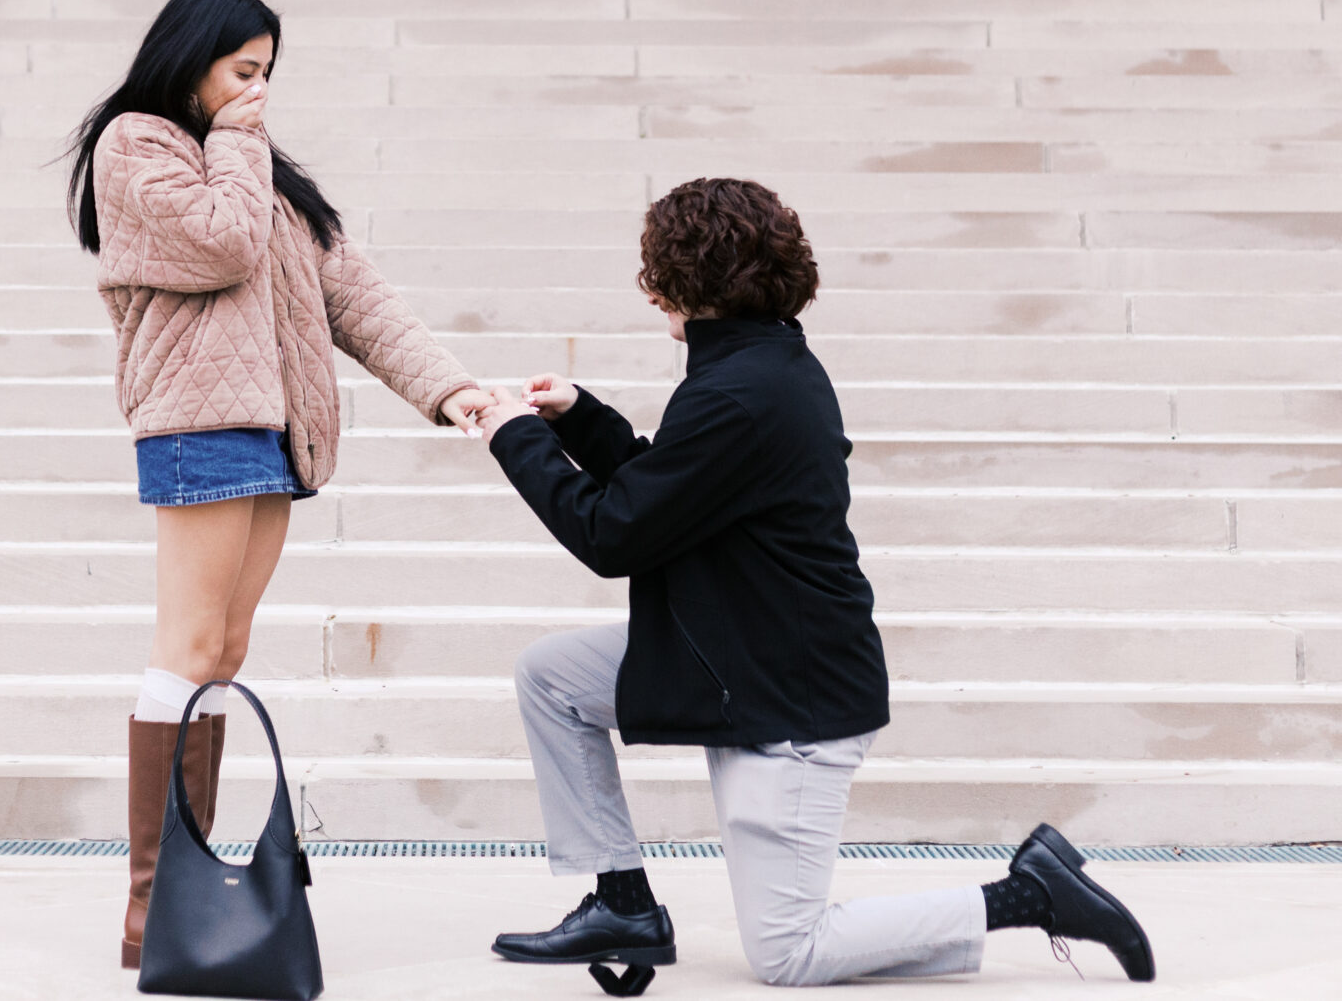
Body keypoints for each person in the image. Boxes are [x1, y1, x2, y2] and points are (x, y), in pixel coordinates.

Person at [473, 177, 1155, 987]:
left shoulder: (741, 390)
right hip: (739, 655)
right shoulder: (760, 367)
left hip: (792, 700)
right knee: (552, 675)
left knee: (790, 951)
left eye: (654, 271)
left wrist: (514, 435)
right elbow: (672, 490)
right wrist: (583, 417)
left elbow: (613, 532)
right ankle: (620, 898)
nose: (648, 287)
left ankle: (1029, 893)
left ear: (683, 283)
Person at [69, 0, 492, 969]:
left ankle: (177, 885)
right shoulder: (138, 144)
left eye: (267, 74)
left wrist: (450, 390)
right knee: (187, 643)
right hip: (196, 420)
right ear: (192, 60)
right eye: (242, 71)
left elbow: (358, 296)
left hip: (272, 428)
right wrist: (238, 139)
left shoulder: (253, 169)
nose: (258, 92)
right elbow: (217, 246)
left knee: (225, 647)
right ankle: (148, 907)